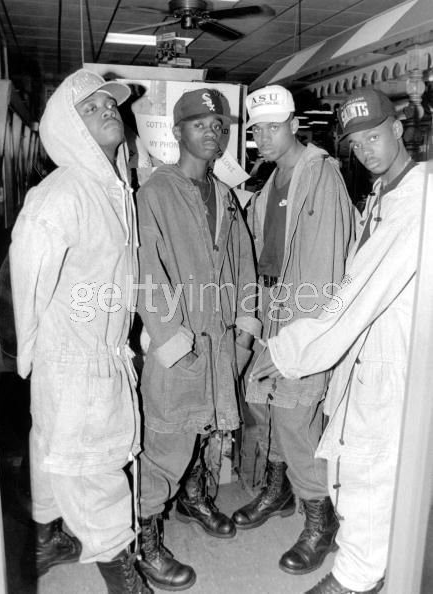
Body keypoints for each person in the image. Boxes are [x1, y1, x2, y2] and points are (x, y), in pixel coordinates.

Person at [251, 87, 427, 593]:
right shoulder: (383, 192)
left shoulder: (417, 200)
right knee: (357, 459)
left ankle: (355, 579)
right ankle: (365, 566)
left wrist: (291, 350)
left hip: (390, 352)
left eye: (375, 136)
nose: (366, 150)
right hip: (364, 344)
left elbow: (355, 291)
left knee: (367, 466)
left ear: (398, 129)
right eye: (356, 141)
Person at [9, 68, 152, 594]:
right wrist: (29, 353)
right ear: (67, 130)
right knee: (94, 470)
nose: (107, 109)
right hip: (74, 360)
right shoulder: (63, 193)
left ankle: (48, 539)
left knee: (56, 453)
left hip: (96, 352)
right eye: (89, 108)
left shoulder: (113, 189)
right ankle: (122, 578)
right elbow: (26, 279)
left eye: (109, 103)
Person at [135, 87, 261, 591]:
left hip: (219, 341)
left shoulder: (225, 196)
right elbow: (146, 271)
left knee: (206, 430)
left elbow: (245, 266)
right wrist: (172, 342)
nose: (211, 133)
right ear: (177, 131)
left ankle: (193, 498)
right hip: (179, 345)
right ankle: (142, 539)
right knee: (166, 441)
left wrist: (246, 330)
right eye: (199, 124)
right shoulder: (155, 193)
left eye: (218, 126)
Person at [231, 84, 355, 576]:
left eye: (271, 127)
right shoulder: (273, 178)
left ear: (294, 125)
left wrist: (305, 338)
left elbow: (325, 265)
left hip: (304, 312)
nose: (262, 137)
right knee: (263, 401)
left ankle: (321, 519)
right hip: (272, 306)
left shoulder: (320, 175)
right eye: (256, 129)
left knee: (296, 414)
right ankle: (279, 489)